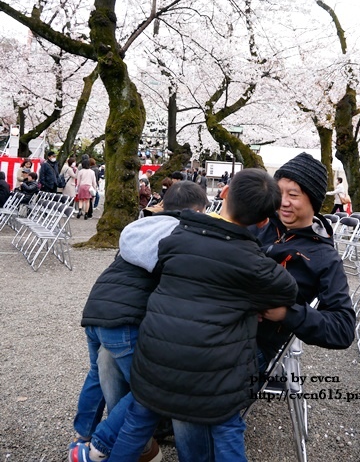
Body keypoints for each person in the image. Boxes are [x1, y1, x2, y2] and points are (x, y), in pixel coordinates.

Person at [70, 169, 298, 462]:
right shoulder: (255, 263)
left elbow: (160, 259)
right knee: (228, 428)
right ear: (264, 221)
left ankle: (100, 447)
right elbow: (287, 290)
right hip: (210, 367)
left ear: (225, 193)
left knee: (137, 421)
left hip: (156, 351)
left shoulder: (180, 235)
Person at [68, 182, 210, 462]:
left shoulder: (141, 227)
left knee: (97, 374)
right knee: (150, 388)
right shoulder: (181, 235)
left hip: (96, 308)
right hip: (125, 320)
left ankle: (81, 435)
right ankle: (103, 445)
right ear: (198, 210)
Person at [251, 152, 356, 366]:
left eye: (294, 195)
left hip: (254, 346)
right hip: (221, 319)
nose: (284, 202)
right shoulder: (259, 223)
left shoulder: (325, 257)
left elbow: (343, 329)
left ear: (313, 200)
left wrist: (287, 313)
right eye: (279, 192)